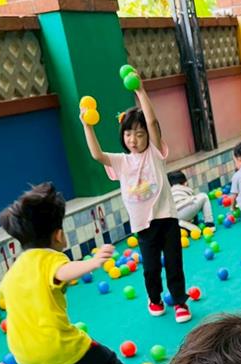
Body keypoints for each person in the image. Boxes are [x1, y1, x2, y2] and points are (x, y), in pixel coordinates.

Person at [0, 182, 159, 364]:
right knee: (107, 360)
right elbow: (62, 272)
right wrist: (92, 263)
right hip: (57, 343)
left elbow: (3, 297)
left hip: (23, 351)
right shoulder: (49, 259)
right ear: (58, 235)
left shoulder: (13, 271)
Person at [81, 75, 190, 323]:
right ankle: (155, 299)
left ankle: (180, 302)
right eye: (129, 134)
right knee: (151, 268)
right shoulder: (121, 162)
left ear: (148, 137)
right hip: (143, 226)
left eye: (140, 134)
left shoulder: (155, 153)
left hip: (166, 218)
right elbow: (97, 155)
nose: (134, 139)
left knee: (174, 262)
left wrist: (140, 91)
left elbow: (152, 121)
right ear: (123, 136)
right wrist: (87, 126)